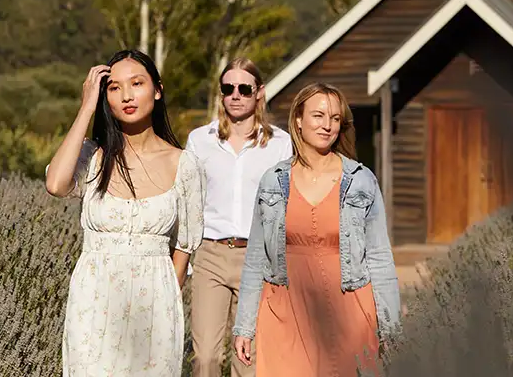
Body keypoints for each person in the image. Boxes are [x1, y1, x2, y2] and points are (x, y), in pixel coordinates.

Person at [44, 49, 205, 377]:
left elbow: (185, 247)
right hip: (93, 303)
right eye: (114, 88)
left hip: (155, 309)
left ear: (157, 90)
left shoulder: (185, 165)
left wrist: (164, 305)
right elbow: (56, 184)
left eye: (137, 83)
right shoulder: (92, 158)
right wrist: (87, 106)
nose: (127, 95)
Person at [232, 82, 401, 377]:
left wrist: (390, 328)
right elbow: (256, 259)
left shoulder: (362, 181)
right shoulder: (273, 181)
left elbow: (380, 259)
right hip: (285, 311)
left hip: (350, 311)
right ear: (298, 119)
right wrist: (244, 327)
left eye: (335, 119)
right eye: (318, 116)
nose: (327, 126)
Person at [184, 58, 292, 377]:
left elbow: (286, 209)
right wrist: (188, 259)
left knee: (249, 360)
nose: (236, 95)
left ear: (259, 93)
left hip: (257, 259)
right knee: (205, 359)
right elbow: (190, 202)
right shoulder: (199, 141)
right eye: (228, 88)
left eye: (244, 88)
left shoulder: (281, 145)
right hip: (211, 255)